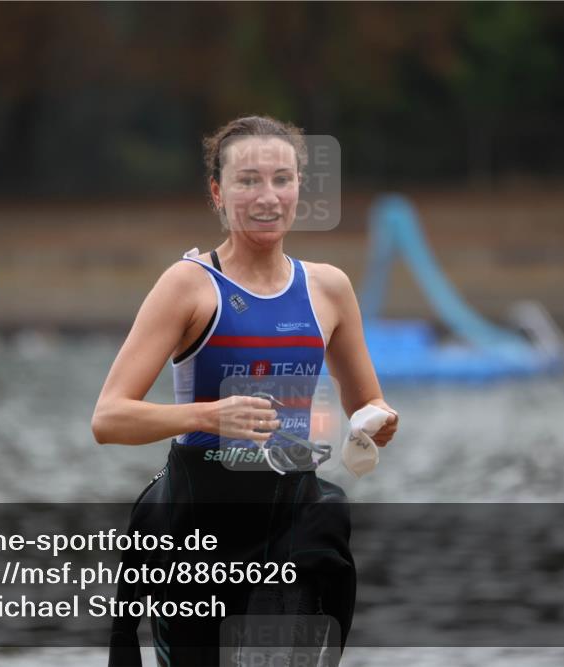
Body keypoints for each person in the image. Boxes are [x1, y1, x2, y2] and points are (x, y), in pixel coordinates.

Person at [93, 115, 398, 666]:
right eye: (248, 180)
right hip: (197, 530)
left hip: (291, 528)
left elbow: (367, 405)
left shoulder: (328, 289)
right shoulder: (188, 285)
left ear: (300, 188)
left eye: (282, 179)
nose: (267, 196)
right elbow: (109, 419)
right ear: (217, 192)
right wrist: (209, 416)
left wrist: (377, 422)